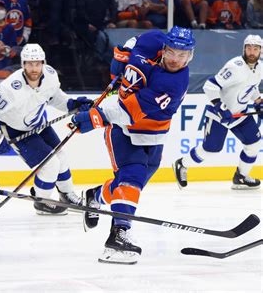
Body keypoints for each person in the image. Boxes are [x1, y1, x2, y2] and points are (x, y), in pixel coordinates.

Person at [72, 26, 196, 264]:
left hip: (146, 129)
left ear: (190, 56)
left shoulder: (174, 83)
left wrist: (94, 117)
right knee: (132, 175)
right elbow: (132, 43)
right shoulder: (152, 40)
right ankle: (118, 236)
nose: (175, 59)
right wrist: (122, 55)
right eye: (172, 52)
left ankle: (95, 195)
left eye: (183, 55)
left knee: (130, 185)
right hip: (123, 132)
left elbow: (128, 111)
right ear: (164, 47)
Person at [0, 43, 92, 214]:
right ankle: (42, 202)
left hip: (38, 123)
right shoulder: (11, 88)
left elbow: (54, 97)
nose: (34, 68)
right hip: (15, 129)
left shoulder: (50, 76)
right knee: (50, 164)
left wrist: (71, 104)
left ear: (43, 63)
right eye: (30, 64)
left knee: (60, 156)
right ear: (23, 64)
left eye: (37, 63)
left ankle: (66, 194)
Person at [173, 35, 262, 191]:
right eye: (249, 48)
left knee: (253, 145)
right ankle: (182, 163)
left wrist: (259, 101)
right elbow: (210, 86)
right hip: (220, 115)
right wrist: (221, 107)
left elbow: (251, 86)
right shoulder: (235, 66)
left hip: (240, 114)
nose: (252, 52)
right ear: (244, 49)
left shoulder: (260, 67)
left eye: (255, 48)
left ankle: (241, 176)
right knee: (211, 149)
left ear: (260, 50)